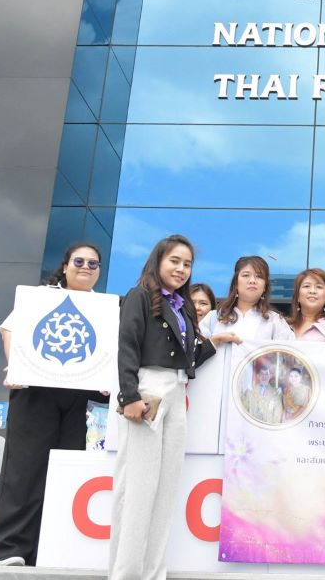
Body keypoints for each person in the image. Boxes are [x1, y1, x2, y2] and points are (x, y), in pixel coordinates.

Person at [0, 241, 104, 568]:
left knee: (69, 471)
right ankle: (11, 548)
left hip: (81, 396)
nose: (86, 267)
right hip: (36, 390)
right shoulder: (41, 297)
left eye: (93, 263)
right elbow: (9, 330)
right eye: (79, 261)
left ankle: (54, 548)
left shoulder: (104, 308)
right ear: (65, 266)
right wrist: (15, 366)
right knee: (25, 470)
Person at [110, 234, 214, 580]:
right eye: (175, 261)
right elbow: (127, 345)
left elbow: (189, 354)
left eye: (187, 264)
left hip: (176, 389)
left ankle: (154, 574)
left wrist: (215, 342)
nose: (181, 269)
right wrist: (129, 396)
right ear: (158, 260)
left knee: (166, 489)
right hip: (147, 389)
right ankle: (125, 574)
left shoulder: (183, 306)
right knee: (138, 488)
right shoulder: (139, 296)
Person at [203, 255, 294, 346]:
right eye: (246, 275)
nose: (252, 280)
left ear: (265, 287)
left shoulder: (276, 321)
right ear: (236, 283)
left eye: (259, 276)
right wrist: (215, 341)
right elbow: (196, 351)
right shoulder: (213, 318)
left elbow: (291, 351)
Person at [240, 356, 283, 424]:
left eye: (266, 374)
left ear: (270, 376)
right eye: (262, 374)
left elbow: (278, 414)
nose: (264, 376)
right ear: (258, 376)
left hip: (268, 426)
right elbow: (243, 409)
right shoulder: (250, 391)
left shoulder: (276, 393)